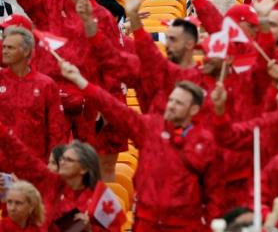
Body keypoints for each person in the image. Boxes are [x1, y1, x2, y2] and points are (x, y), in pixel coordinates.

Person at [57, 60, 226, 229]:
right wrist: (82, 83)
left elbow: (215, 193)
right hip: (147, 222)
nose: (172, 106)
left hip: (185, 224)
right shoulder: (150, 127)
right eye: (171, 100)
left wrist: (212, 225)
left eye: (179, 103)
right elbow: (115, 109)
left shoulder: (205, 142)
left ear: (194, 110)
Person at [0, 25, 69, 158]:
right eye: (4, 47)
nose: (4, 51)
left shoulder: (46, 85)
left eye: (10, 48)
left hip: (35, 164)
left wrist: (53, 162)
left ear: (26, 52)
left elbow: (56, 129)